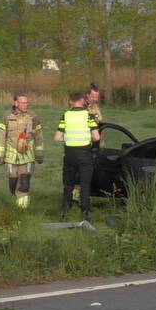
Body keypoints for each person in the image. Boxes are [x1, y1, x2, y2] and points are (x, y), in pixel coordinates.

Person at [55, 91, 101, 221]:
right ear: (81, 101)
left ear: (71, 101)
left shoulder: (66, 115)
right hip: (85, 155)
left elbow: (57, 138)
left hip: (69, 155)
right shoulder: (88, 116)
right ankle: (84, 213)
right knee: (85, 185)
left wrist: (69, 138)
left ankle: (65, 211)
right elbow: (96, 136)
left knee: (68, 184)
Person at [0, 92, 44, 209]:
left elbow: (39, 136)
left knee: (24, 184)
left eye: (26, 102)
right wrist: (0, 154)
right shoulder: (6, 116)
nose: (25, 105)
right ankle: (15, 203)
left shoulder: (33, 117)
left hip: (27, 157)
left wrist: (39, 153)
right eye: (22, 102)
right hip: (11, 157)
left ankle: (22, 212)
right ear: (16, 103)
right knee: (13, 184)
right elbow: (1, 136)